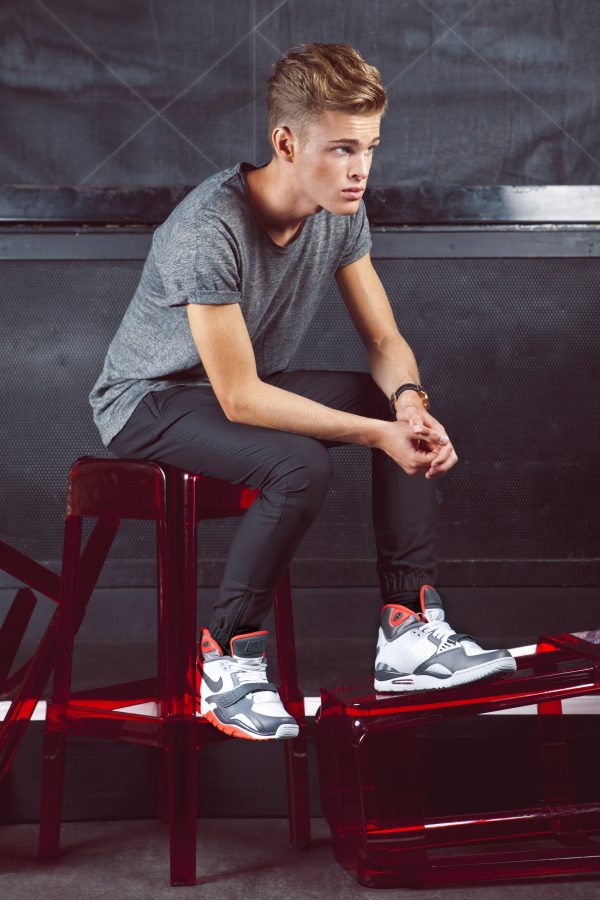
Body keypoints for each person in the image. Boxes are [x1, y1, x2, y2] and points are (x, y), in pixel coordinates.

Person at [89, 42, 515, 743]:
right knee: (299, 464)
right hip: (150, 401)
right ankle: (226, 657)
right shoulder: (207, 228)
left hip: (240, 386)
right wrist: (378, 435)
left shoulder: (340, 212)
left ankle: (408, 628)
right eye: (342, 149)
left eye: (369, 148)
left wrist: (409, 406)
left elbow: (384, 341)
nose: (360, 170)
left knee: (387, 402)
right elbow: (239, 399)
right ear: (286, 143)